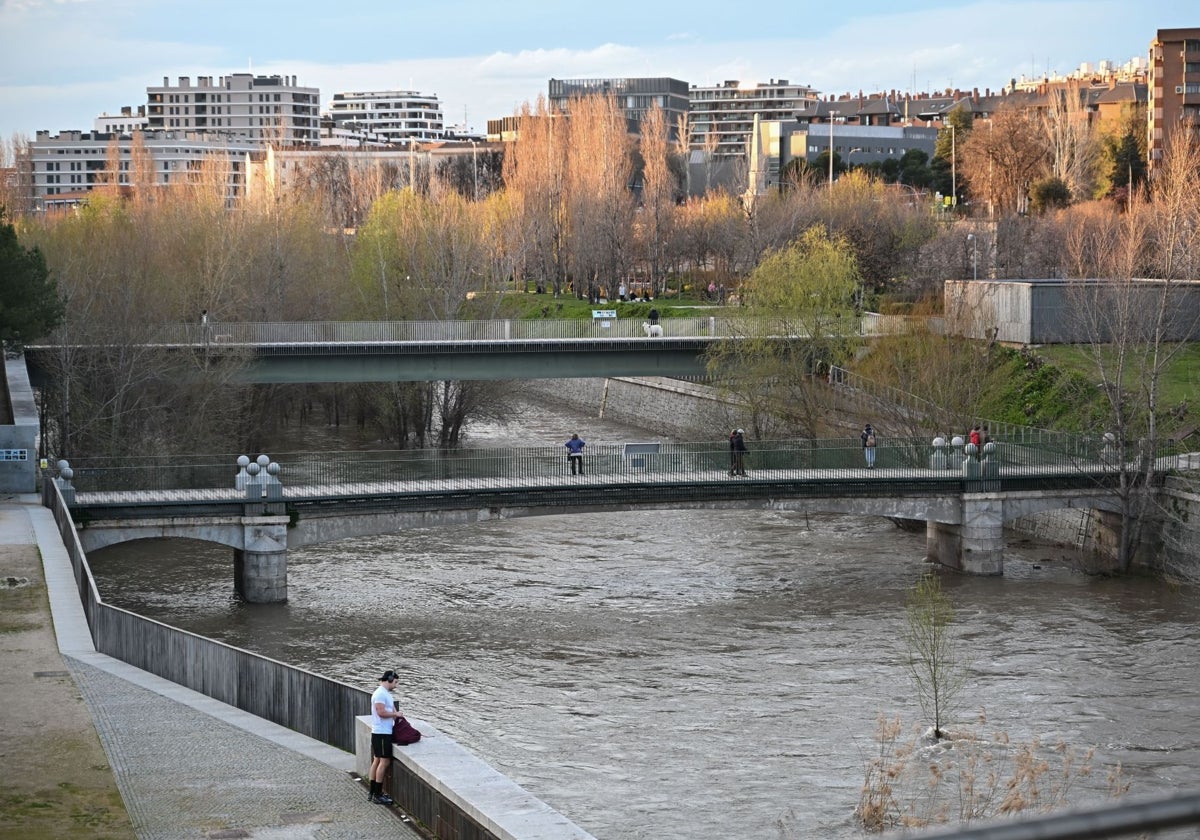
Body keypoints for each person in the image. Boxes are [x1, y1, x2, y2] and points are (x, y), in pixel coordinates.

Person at [369, 670, 402, 805]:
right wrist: (397, 715)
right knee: (384, 762)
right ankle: (378, 794)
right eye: (395, 682)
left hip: (380, 732)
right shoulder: (380, 694)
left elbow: (389, 709)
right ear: (389, 679)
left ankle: (372, 791)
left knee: (376, 760)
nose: (396, 685)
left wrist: (395, 713)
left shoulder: (384, 693)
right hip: (382, 733)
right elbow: (381, 712)